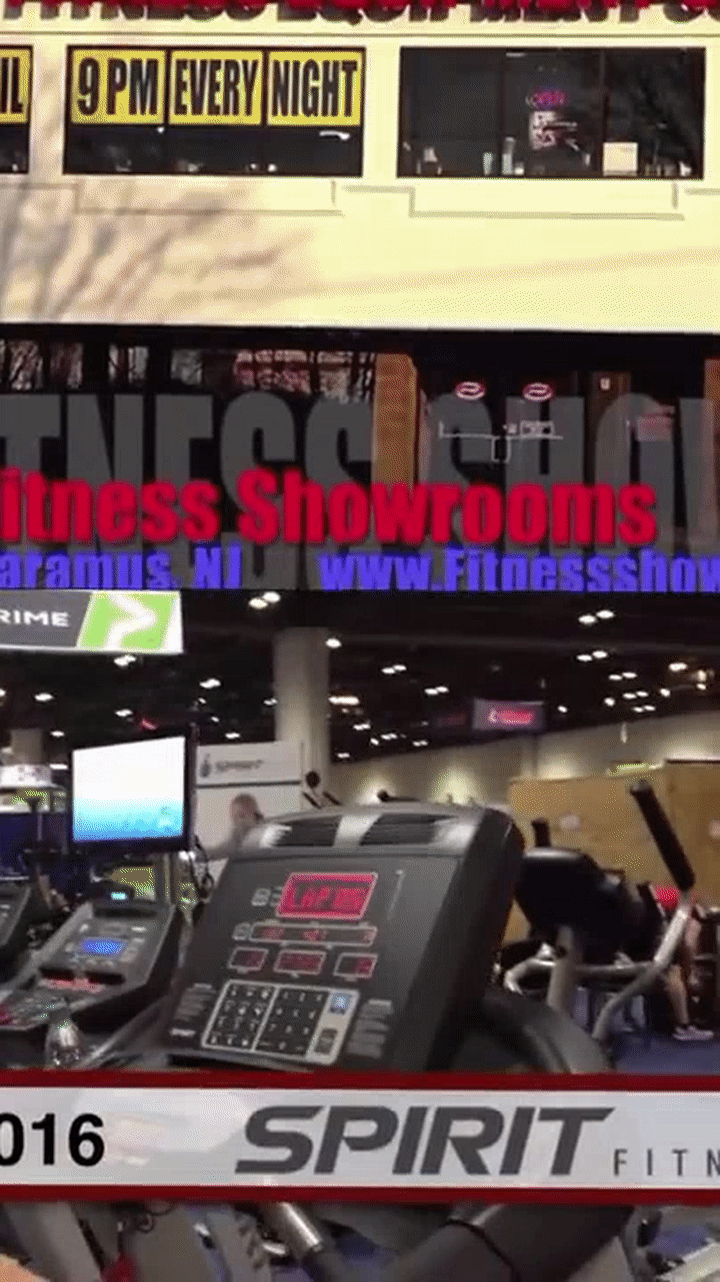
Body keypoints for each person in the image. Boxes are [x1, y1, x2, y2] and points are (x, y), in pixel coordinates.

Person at [648, 883, 713, 1042]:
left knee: (675, 971)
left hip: (646, 940)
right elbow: (689, 945)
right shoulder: (690, 908)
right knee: (674, 972)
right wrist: (690, 974)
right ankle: (683, 1027)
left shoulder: (658, 894)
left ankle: (682, 1023)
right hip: (658, 944)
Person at [205, 794, 264, 882]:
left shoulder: (265, 832)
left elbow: (220, 851)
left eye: (242, 816)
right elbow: (219, 851)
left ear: (255, 814)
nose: (238, 822)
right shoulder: (237, 834)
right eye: (234, 818)